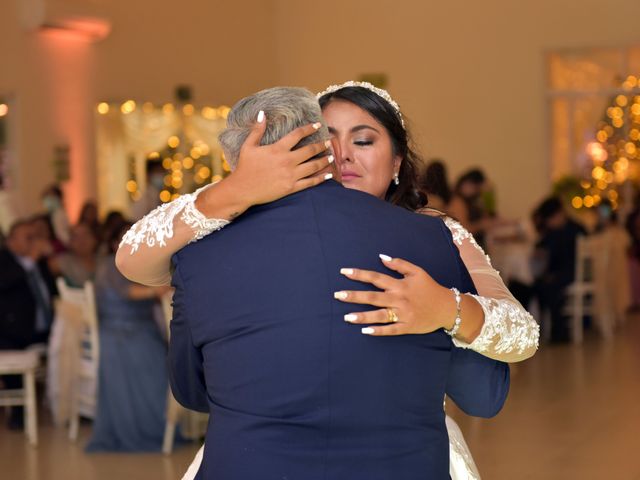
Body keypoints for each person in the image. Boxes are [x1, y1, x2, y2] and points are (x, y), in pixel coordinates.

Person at [117, 82, 539, 478]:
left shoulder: (437, 234)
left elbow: (518, 339)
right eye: (326, 141)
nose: (341, 156)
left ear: (396, 162)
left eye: (363, 140)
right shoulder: (228, 228)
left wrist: (447, 308)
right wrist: (236, 189)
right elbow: (134, 255)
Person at [85, 222, 171, 452]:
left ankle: (168, 423)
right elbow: (129, 292)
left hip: (137, 330)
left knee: (162, 352)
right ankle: (154, 427)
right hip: (121, 334)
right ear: (115, 243)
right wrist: (158, 289)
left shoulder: (138, 265)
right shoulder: (111, 265)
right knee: (160, 360)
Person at [0, 219, 56, 429]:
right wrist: (31, 260)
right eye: (28, 238)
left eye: (35, 237)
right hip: (13, 331)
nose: (34, 242)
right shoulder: (4, 260)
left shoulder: (38, 262)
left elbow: (51, 291)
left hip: (44, 328)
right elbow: (5, 282)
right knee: (10, 344)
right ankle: (18, 413)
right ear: (11, 241)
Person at [532, 196, 586, 342]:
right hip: (564, 271)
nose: (549, 224)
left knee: (548, 286)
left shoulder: (572, 231)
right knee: (536, 284)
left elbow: (566, 260)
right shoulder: (562, 230)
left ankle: (559, 330)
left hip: (572, 272)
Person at [447, 169, 491, 248]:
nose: (472, 188)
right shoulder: (458, 202)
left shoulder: (472, 201)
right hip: (464, 247)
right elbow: (462, 229)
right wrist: (481, 225)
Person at [48, 222, 100, 288]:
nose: (82, 240)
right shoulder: (62, 262)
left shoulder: (105, 262)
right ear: (70, 242)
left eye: (86, 234)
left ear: (94, 239)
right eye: (76, 236)